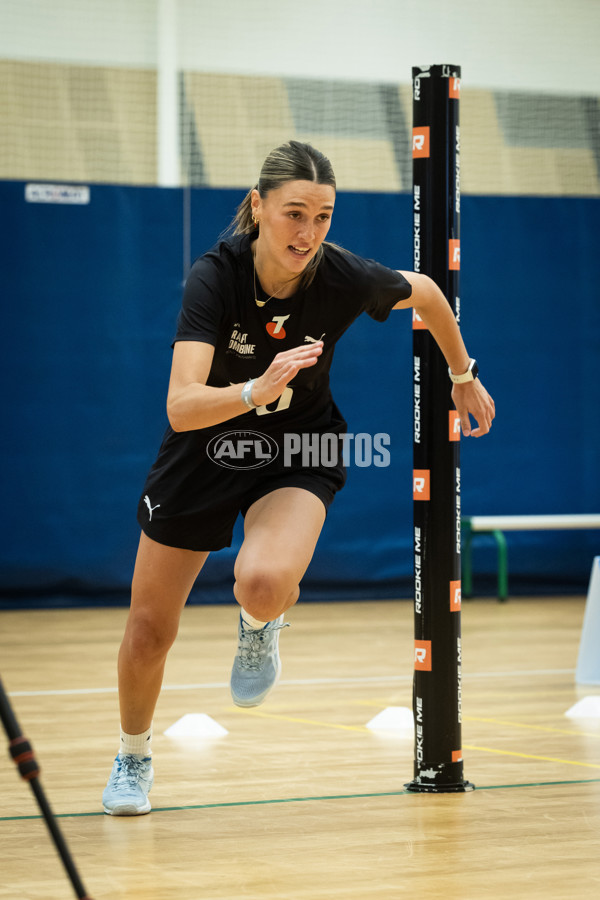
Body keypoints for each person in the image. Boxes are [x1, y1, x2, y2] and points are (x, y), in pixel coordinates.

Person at [102, 140, 495, 815]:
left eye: (323, 216)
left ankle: (259, 627)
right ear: (258, 209)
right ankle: (132, 756)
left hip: (297, 449)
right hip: (204, 450)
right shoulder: (214, 277)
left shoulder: (341, 277)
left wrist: (463, 376)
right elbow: (181, 403)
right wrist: (257, 386)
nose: (308, 232)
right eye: (293, 213)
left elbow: (427, 293)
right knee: (147, 631)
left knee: (262, 580)